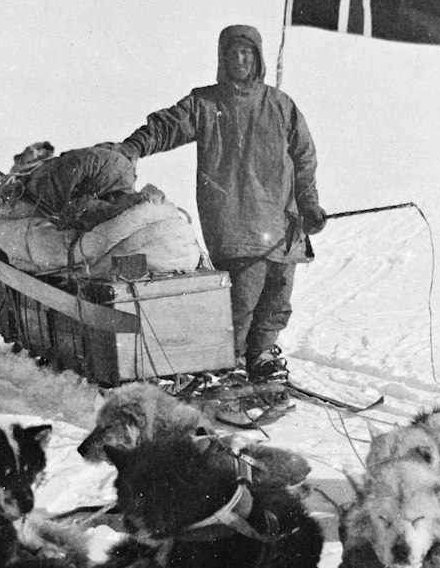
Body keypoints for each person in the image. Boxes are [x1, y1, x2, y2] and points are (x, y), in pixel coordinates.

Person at [113, 24, 326, 383]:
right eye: (232, 53)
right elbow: (167, 125)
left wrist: (310, 205)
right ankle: (231, 363)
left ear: (257, 58)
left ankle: (260, 356)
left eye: (246, 53)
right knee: (242, 301)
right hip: (236, 220)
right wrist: (133, 146)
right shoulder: (205, 103)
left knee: (277, 299)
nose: (239, 59)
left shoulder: (281, 105)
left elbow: (304, 159)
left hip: (282, 222)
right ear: (222, 58)